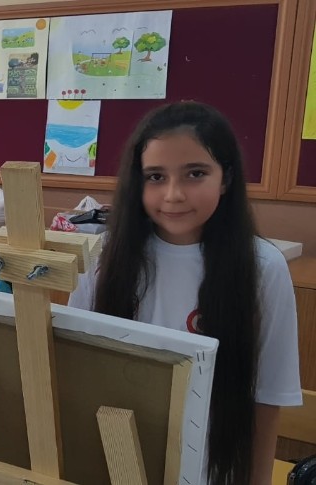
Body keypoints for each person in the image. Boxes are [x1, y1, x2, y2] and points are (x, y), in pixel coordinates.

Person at [68, 101, 301, 485]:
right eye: (156, 176)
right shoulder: (104, 256)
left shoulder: (263, 267)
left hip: (212, 468)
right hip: (115, 461)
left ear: (225, 178)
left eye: (195, 173)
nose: (173, 194)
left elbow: (267, 397)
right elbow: (77, 369)